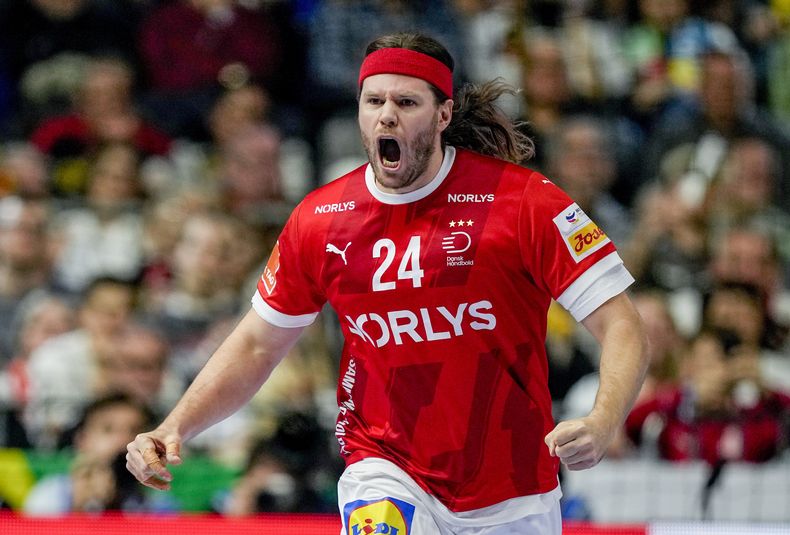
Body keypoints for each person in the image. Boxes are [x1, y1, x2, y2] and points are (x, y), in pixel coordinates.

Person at [126, 32, 648, 534]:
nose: (387, 115)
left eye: (406, 101)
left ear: (443, 114)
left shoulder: (524, 202)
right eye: (372, 101)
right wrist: (174, 427)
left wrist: (603, 420)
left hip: (511, 485)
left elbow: (622, 324)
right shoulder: (322, 218)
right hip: (384, 466)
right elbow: (259, 344)